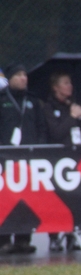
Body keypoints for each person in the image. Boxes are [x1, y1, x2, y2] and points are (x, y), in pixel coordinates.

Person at [42, 71, 81, 252]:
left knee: (75, 198)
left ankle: (71, 236)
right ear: (55, 87)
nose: (69, 86)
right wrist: (71, 117)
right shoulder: (48, 108)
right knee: (57, 200)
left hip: (76, 159)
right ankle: (54, 237)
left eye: (70, 82)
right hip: (56, 160)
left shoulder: (74, 106)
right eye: (65, 83)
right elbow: (55, 133)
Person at [0, 62, 47, 254]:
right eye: (18, 75)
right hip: (5, 158)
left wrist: (41, 148)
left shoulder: (33, 101)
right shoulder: (2, 99)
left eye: (25, 75)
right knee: (5, 198)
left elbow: (41, 126)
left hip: (28, 158)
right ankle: (3, 239)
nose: (23, 78)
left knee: (26, 199)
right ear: (10, 79)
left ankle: (23, 238)